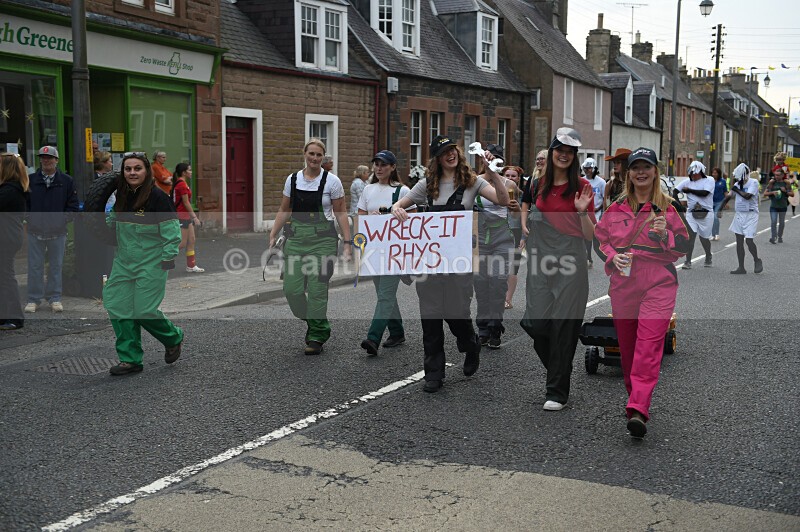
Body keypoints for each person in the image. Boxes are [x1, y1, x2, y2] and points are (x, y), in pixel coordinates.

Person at [390, 135, 510, 393]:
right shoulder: (426, 185)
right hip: (430, 264)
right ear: (437, 158)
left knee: (457, 315)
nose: (450, 155)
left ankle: (470, 345)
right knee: (430, 318)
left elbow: (502, 200)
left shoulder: (472, 182)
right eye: (444, 152)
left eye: (452, 149)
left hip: (459, 263)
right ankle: (434, 373)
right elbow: (400, 205)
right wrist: (397, 209)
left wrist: (492, 171)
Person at [594, 147, 690, 439]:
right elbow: (601, 241)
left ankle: (638, 408)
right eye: (635, 167)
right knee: (628, 349)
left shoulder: (668, 208)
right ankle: (636, 398)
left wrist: (665, 234)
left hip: (658, 282)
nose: (640, 172)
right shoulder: (616, 208)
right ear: (629, 173)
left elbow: (683, 247)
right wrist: (613, 257)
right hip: (624, 282)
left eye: (646, 167)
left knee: (648, 347)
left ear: (654, 171)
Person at [519, 127, 595, 411]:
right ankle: (558, 368)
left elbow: (590, 235)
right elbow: (527, 206)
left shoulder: (582, 186)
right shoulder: (539, 183)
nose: (564, 155)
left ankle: (557, 390)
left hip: (571, 257)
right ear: (551, 153)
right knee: (535, 322)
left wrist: (581, 212)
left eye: (570, 152)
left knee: (564, 326)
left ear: (574, 157)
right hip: (540, 256)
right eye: (559, 150)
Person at [268, 138, 352, 356]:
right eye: (311, 154)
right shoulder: (292, 179)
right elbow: (284, 209)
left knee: (317, 289)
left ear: (323, 158)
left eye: (319, 155)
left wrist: (347, 242)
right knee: (292, 289)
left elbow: (341, 212)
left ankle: (316, 335)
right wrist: (273, 232)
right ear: (304, 154)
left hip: (323, 240)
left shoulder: (332, 181)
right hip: (295, 239)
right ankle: (317, 322)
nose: (315, 158)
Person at [103, 152, 184, 375]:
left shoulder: (157, 197)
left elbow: (171, 231)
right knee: (117, 306)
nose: (132, 173)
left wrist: (168, 257)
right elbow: (112, 222)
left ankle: (173, 337)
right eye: (128, 169)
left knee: (143, 310)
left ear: (146, 171)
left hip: (152, 262)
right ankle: (130, 359)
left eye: (137, 168)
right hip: (124, 262)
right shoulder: (121, 195)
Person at [357, 150, 412, 356]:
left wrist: (395, 215)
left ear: (393, 167)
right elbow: (359, 218)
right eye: (376, 164)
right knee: (383, 294)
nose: (379, 168)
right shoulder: (368, 189)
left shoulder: (403, 191)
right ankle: (397, 332)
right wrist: (370, 219)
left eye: (384, 164)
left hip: (395, 251)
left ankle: (373, 338)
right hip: (373, 250)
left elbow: (414, 222)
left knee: (385, 295)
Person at [473, 144, 518, 348]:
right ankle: (482, 328)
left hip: (502, 237)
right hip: (480, 238)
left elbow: (516, 215)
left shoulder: (509, 184)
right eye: (491, 159)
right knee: (481, 283)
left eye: (498, 160)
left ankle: (495, 327)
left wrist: (516, 210)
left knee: (498, 282)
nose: (494, 164)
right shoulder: (475, 182)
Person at [24, 146, 79, 314]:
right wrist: (29, 218)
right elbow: (24, 203)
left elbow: (73, 206)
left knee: (56, 266)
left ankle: (55, 298)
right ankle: (34, 299)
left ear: (57, 160)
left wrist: (62, 219)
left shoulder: (67, 181)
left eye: (49, 158)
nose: (46, 160)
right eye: (43, 157)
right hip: (35, 230)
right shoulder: (30, 179)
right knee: (34, 266)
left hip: (58, 231)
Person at [0, 153, 29, 331]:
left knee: (6, 277)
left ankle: (14, 317)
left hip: (5, 237)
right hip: (8, 236)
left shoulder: (9, 190)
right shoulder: (11, 188)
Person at [718, 165, 762, 274]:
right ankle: (741, 267)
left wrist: (736, 190)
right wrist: (720, 209)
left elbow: (747, 196)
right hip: (739, 215)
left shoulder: (753, 183)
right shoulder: (737, 185)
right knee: (739, 241)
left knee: (749, 240)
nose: (739, 180)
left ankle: (757, 260)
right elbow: (728, 197)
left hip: (751, 215)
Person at [673, 161, 714, 268]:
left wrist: (689, 190)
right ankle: (688, 261)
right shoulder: (687, 182)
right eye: (691, 174)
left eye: (694, 174)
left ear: (701, 172)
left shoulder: (709, 180)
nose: (692, 176)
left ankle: (708, 255)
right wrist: (679, 206)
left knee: (704, 238)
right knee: (690, 236)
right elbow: (674, 192)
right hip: (691, 214)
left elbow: (705, 193)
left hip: (706, 214)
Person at [172, 163, 204, 272]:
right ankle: (160, 260)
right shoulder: (181, 184)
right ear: (184, 172)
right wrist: (194, 217)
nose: (191, 172)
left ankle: (191, 266)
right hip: (181, 215)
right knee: (181, 244)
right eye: (189, 170)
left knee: (192, 240)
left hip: (185, 216)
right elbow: (186, 203)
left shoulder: (183, 183)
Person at [503, 165, 525, 310]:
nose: (510, 178)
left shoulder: (523, 195)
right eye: (507, 175)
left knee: (513, 267)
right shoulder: (494, 193)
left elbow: (526, 217)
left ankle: (507, 299)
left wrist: (524, 236)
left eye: (513, 176)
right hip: (498, 231)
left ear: (518, 179)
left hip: (516, 231)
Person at [582, 157, 605, 268]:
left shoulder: (601, 182)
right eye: (585, 168)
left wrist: (599, 208)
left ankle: (602, 256)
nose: (587, 171)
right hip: (585, 212)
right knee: (586, 236)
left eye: (589, 168)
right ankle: (587, 257)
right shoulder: (582, 180)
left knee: (594, 237)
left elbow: (605, 198)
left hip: (597, 213)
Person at [520, 149, 548, 239]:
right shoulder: (532, 179)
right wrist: (523, 225)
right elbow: (525, 202)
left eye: (542, 159)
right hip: (535, 220)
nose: (539, 161)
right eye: (537, 159)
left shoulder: (554, 179)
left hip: (550, 221)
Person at [764, 164, 793, 244]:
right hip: (773, 206)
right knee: (773, 221)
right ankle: (773, 237)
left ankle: (780, 236)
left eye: (778, 175)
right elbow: (765, 193)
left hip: (783, 206)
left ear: (783, 175)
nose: (776, 177)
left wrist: (785, 191)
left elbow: (792, 194)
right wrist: (772, 192)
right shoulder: (772, 183)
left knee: (782, 223)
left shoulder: (786, 183)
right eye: (775, 175)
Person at [710, 167, 727, 240]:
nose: (714, 174)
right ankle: (712, 235)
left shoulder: (722, 181)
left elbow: (725, 192)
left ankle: (717, 234)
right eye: (713, 173)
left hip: (719, 202)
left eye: (715, 173)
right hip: (710, 202)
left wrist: (726, 202)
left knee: (715, 217)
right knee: (711, 219)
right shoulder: (710, 181)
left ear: (719, 173)